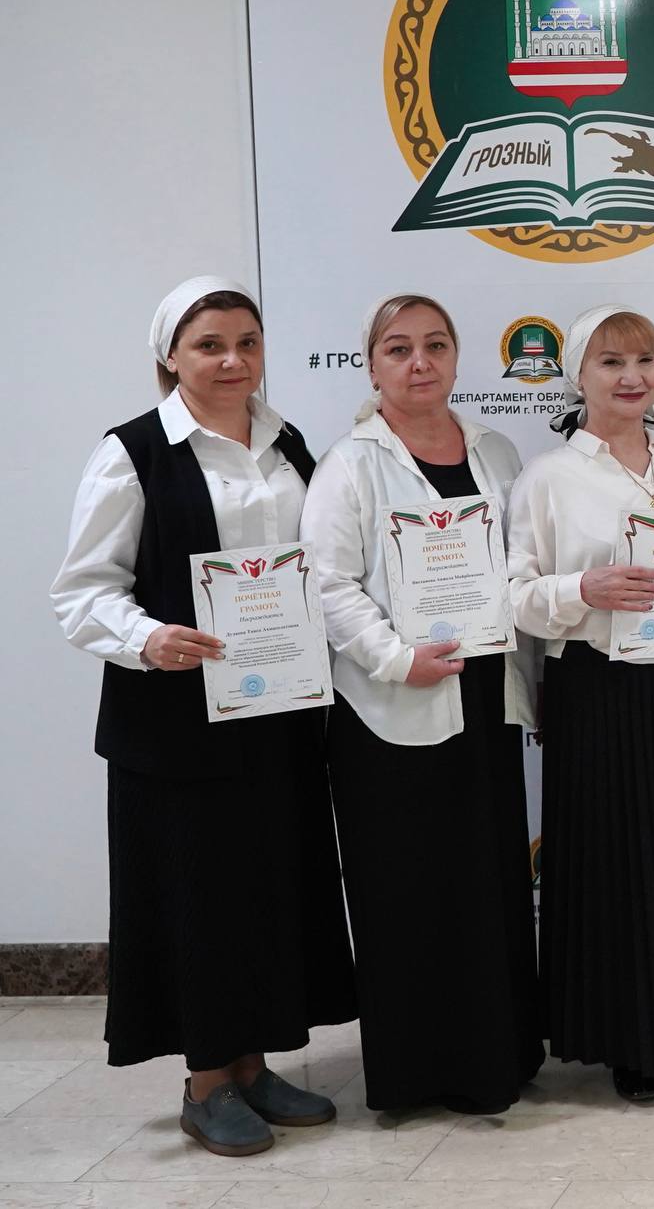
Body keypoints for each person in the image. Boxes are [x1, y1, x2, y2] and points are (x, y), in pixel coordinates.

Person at [50, 277, 355, 1157]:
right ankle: (206, 1083)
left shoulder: (288, 444)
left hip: (276, 714)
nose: (232, 361)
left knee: (268, 888)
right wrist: (148, 639)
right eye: (210, 345)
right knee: (198, 898)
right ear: (170, 357)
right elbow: (82, 592)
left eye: (247, 343)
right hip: (175, 724)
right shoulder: (132, 454)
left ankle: (253, 1066)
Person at [302, 294, 544, 1114]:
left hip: (482, 694)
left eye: (436, 345)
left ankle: (499, 1059)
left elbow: (520, 569)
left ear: (456, 356)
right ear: (371, 365)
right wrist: (395, 659)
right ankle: (418, 1073)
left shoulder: (496, 450)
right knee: (408, 894)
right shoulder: (349, 464)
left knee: (488, 884)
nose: (420, 363)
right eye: (399, 348)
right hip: (391, 707)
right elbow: (328, 584)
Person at [506, 305, 654, 1104]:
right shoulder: (548, 478)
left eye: (645, 360)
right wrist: (584, 588)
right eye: (611, 362)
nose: (632, 377)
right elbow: (514, 597)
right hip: (599, 688)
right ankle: (632, 1043)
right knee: (620, 864)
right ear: (578, 375)